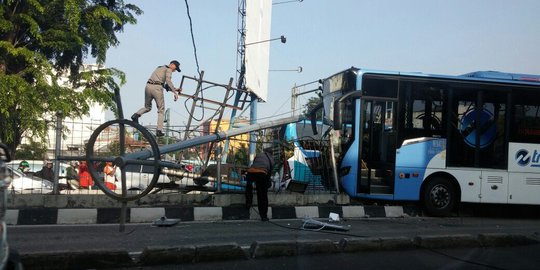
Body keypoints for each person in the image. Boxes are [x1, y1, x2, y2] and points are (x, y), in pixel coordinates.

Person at [131, 60, 182, 137]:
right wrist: (175, 92)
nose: (175, 70)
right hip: (157, 89)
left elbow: (162, 83)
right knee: (161, 110)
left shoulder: (159, 68)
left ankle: (136, 115)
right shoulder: (169, 69)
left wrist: (174, 89)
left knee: (147, 107)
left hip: (148, 86)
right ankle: (159, 130)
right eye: (175, 68)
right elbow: (168, 81)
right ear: (172, 64)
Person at [245, 147, 274, 221]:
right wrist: (268, 184)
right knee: (262, 195)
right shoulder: (272, 160)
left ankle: (249, 202)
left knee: (249, 186)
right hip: (262, 174)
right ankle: (263, 216)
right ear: (271, 153)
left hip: (251, 172)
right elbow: (268, 175)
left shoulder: (258, 154)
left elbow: (255, 163)